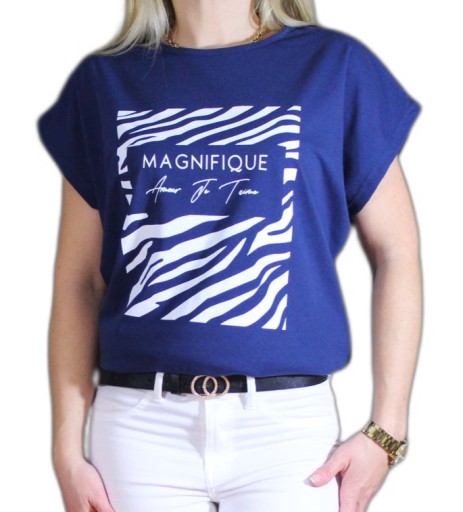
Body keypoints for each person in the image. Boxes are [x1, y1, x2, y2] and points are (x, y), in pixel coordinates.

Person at [37, 0, 423, 511]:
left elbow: (396, 250)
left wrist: (386, 432)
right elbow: (80, 281)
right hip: (139, 430)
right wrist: (66, 450)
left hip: (286, 432)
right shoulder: (104, 83)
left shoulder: (334, 67)